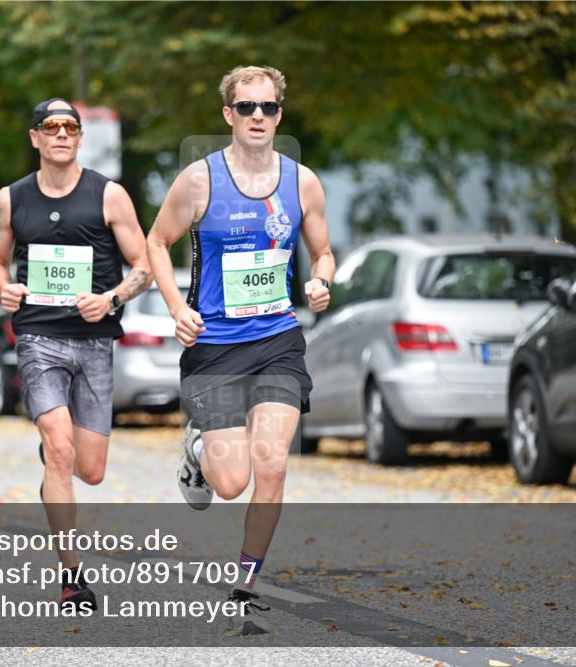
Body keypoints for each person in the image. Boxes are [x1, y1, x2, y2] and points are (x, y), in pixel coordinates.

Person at [146, 66, 334, 635]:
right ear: (228, 114)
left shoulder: (303, 183)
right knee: (232, 483)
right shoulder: (199, 181)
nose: (258, 117)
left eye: (269, 108)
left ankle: (246, 582)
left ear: (281, 113)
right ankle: (198, 447)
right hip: (215, 348)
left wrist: (322, 281)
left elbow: (323, 252)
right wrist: (178, 308)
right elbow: (157, 243)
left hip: (276, 340)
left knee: (272, 464)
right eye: (247, 107)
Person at [0, 98, 151, 610]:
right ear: (35, 137)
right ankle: (72, 577)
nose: (61, 134)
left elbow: (143, 265)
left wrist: (112, 299)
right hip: (38, 338)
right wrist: (2, 288)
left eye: (70, 127)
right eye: (50, 126)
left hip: (95, 340)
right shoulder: (10, 200)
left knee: (91, 469)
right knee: (60, 450)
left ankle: (55, 457)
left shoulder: (110, 196)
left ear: (80, 138)